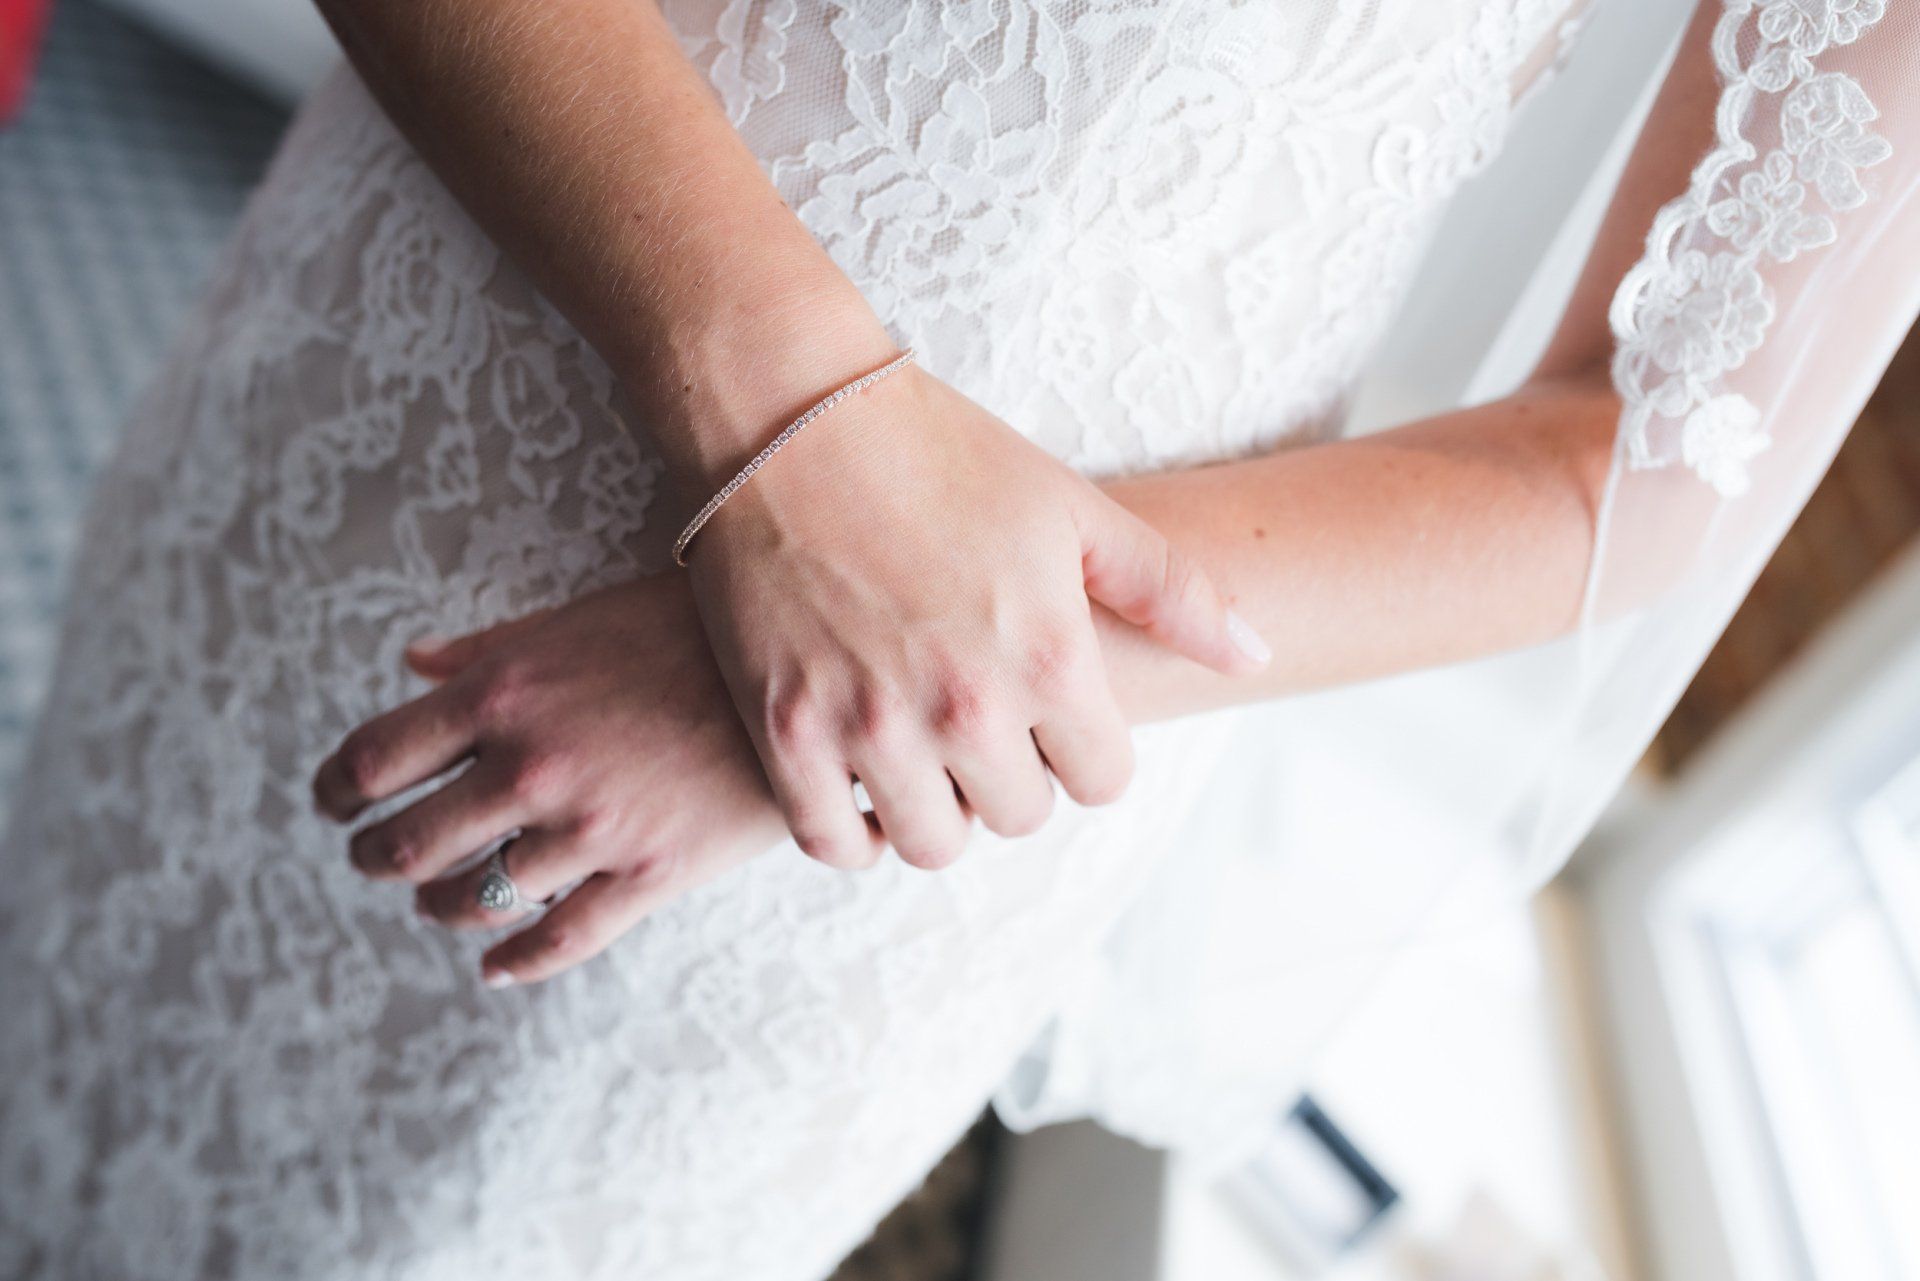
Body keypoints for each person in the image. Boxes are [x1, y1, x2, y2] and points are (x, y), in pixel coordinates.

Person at [3, 1, 1915, 1276]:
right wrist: (792, 440)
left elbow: (1640, 463)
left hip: (893, 761)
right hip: (421, 343)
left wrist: (930, 670)